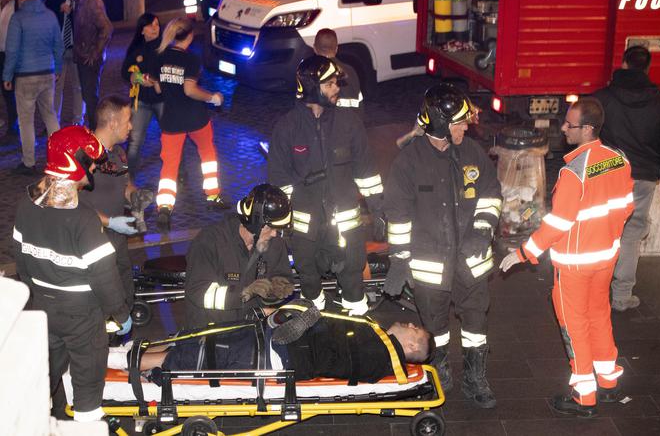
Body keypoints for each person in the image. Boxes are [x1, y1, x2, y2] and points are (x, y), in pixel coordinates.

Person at [500, 97, 634, 417]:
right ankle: (608, 381)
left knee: (574, 326)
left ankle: (584, 396)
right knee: (599, 316)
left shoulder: (574, 172)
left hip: (575, 265)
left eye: (569, 124)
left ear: (587, 129)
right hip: (606, 259)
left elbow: (557, 224)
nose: (563, 128)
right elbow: (627, 206)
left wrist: (524, 252)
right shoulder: (619, 160)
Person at [382, 83, 502, 407]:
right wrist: (399, 260)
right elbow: (397, 215)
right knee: (435, 325)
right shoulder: (409, 162)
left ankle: (476, 378)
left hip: (471, 262)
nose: (466, 127)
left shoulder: (472, 153)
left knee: (476, 323)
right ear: (440, 123)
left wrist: (482, 230)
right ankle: (441, 371)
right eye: (460, 122)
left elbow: (491, 195)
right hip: (430, 266)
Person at [13, 125, 132, 422]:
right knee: (87, 382)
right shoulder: (83, 219)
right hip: (82, 318)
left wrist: (40, 295)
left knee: (44, 376)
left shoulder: (25, 206)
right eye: (90, 162)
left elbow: (22, 263)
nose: (93, 168)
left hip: (42, 311)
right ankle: (86, 422)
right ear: (75, 162)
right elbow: (104, 276)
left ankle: (39, 420)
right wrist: (120, 313)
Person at [267, 55, 384, 316]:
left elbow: (366, 172)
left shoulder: (349, 123)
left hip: (345, 226)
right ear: (311, 87)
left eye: (336, 83)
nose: (336, 88)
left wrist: (378, 210)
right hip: (305, 229)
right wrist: (281, 222)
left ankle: (357, 314)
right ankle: (312, 318)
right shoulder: (287, 128)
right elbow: (279, 180)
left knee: (352, 276)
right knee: (308, 277)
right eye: (329, 84)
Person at [592, 45, 660, 313]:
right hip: (642, 177)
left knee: (600, 229)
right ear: (648, 68)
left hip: (607, 173)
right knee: (631, 233)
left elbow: (587, 133)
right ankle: (621, 296)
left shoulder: (602, 98)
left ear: (624, 63)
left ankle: (594, 291)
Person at [108, 314, 431, 385]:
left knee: (202, 354)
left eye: (414, 328)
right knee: (203, 336)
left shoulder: (381, 354)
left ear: (412, 345)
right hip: (282, 342)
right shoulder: (376, 337)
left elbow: (336, 356)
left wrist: (306, 326)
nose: (409, 323)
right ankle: (130, 351)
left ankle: (118, 362)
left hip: (282, 353)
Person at [154, 16, 227, 232]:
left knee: (169, 165)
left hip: (171, 119)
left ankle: (164, 207)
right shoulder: (191, 60)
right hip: (196, 118)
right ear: (190, 36)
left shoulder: (160, 56)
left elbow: (158, 89)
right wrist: (213, 97)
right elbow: (189, 90)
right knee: (207, 156)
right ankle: (213, 196)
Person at [185, 184, 294, 328]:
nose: (274, 233)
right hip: (212, 329)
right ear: (254, 224)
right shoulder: (209, 241)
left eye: (277, 228)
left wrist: (274, 292)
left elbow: (282, 276)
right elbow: (199, 292)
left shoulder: (275, 244)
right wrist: (244, 292)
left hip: (252, 329)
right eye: (270, 228)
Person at [80, 95, 146, 315]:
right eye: (127, 121)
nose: (131, 126)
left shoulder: (118, 153)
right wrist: (109, 222)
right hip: (92, 242)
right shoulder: (82, 155)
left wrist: (136, 196)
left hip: (117, 242)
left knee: (124, 293)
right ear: (112, 123)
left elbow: (125, 184)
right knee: (102, 302)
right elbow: (70, 203)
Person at [3, 0, 62, 175]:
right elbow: (58, 45)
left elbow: (12, 50)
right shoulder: (50, 16)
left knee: (26, 120)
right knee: (50, 115)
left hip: (26, 76)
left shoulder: (18, 18)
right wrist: (58, 68)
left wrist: (7, 75)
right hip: (47, 72)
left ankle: (29, 162)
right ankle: (60, 157)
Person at [66, 0, 113, 131]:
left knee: (90, 97)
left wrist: (95, 53)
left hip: (89, 59)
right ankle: (95, 130)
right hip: (83, 56)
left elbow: (107, 28)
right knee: (88, 96)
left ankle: (96, 132)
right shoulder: (81, 0)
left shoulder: (92, 2)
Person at [121, 12, 163, 180]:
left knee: (171, 136)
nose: (155, 28)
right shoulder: (136, 49)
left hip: (162, 101)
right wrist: (137, 77)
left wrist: (158, 81)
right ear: (142, 30)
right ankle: (129, 178)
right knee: (135, 140)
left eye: (157, 25)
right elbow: (124, 72)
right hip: (142, 102)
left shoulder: (165, 47)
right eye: (151, 25)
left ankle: (180, 174)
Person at [46, 0, 85, 126]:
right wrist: (59, 9)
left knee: (78, 86)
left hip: (77, 49)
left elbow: (87, 20)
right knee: (57, 86)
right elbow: (46, 12)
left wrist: (73, 12)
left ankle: (78, 120)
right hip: (59, 49)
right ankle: (54, 121)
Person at [313, 28, 364, 117]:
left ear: (314, 49)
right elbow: (360, 105)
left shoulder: (312, 74)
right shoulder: (351, 71)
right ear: (336, 48)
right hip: (354, 123)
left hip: (331, 125)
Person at [0, 0, 17, 144]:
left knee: (13, 91)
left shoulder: (18, 6)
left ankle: (14, 126)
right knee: (5, 92)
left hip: (13, 55)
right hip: (1, 55)